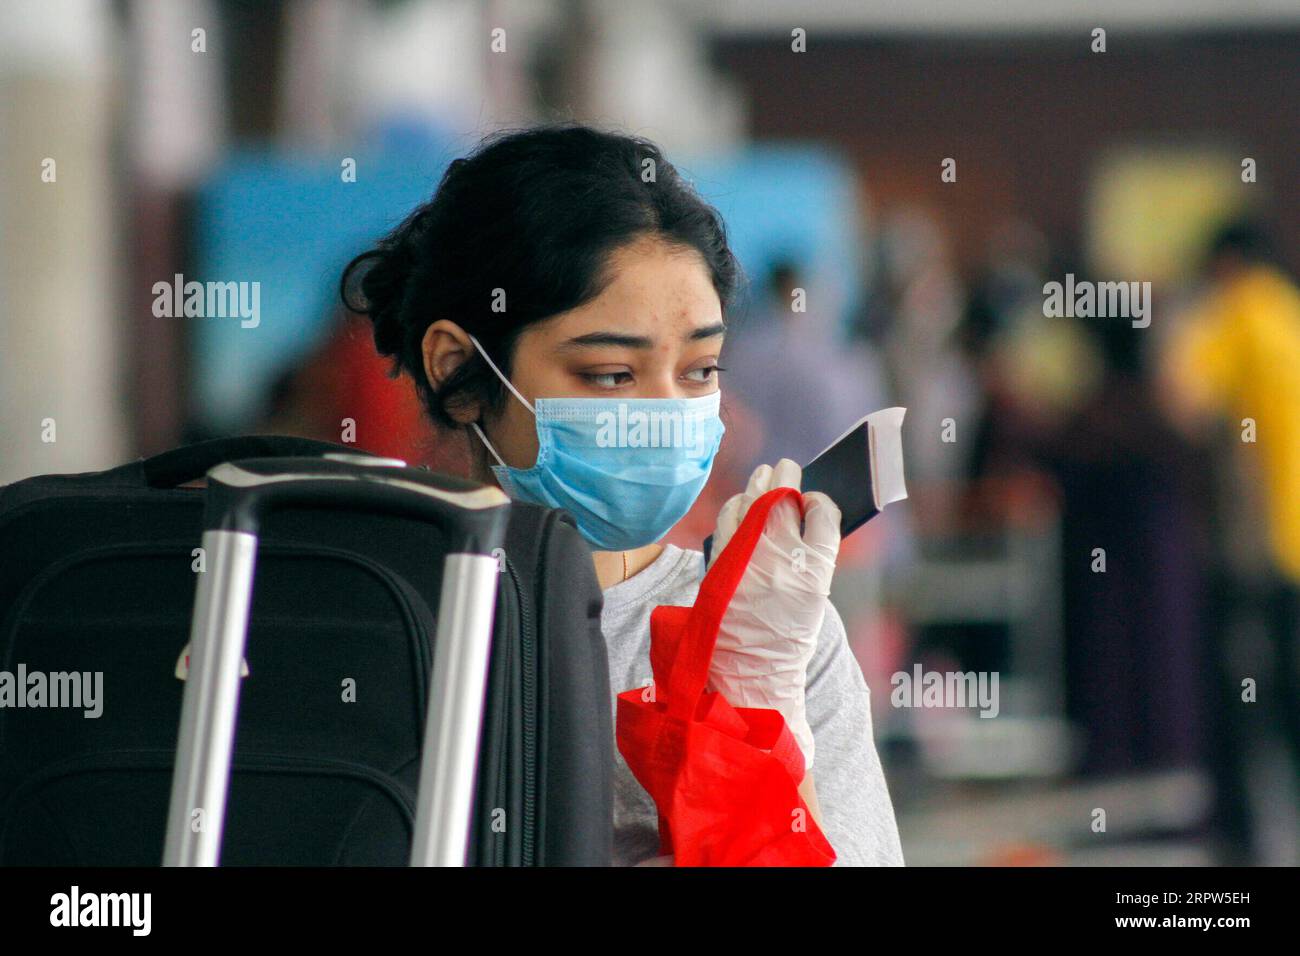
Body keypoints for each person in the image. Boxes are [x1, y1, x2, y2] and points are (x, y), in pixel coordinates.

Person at [339, 124, 904, 866]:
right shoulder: (361, 614)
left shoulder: (771, 640)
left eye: (700, 370)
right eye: (610, 375)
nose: (667, 411)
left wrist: (751, 708)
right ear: (459, 371)